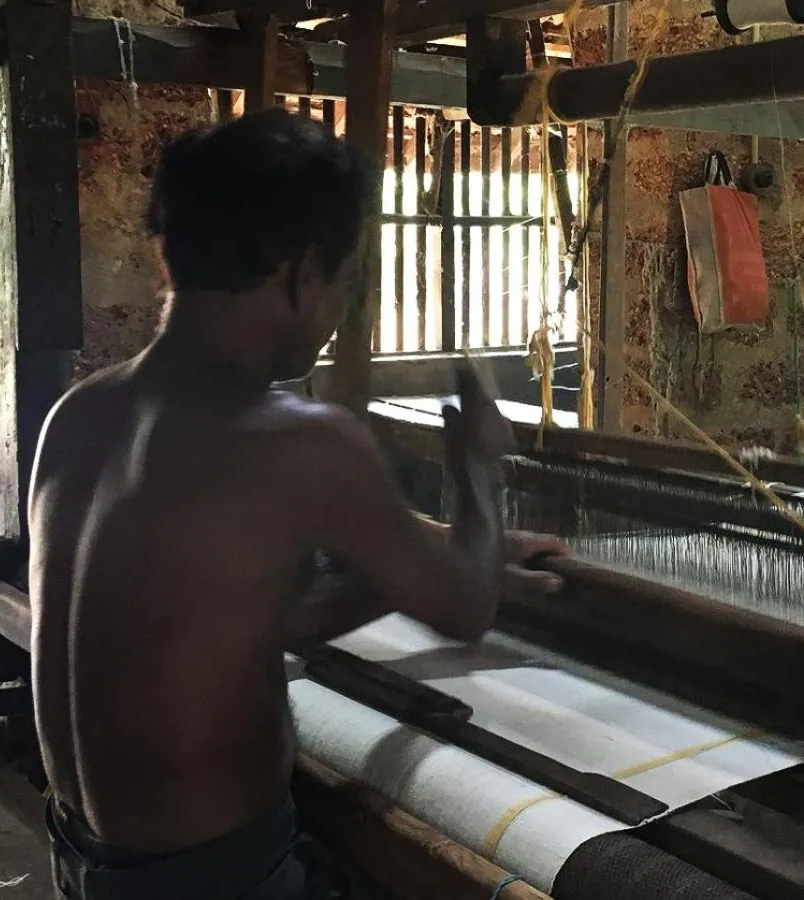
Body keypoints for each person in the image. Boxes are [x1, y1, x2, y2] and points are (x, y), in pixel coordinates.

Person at [28, 108, 567, 900]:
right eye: (346, 281)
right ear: (302, 270)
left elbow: (256, 617)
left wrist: (421, 555)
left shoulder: (79, 415)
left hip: (85, 863)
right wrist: (477, 468)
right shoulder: (296, 440)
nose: (340, 307)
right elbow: (463, 607)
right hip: (219, 880)